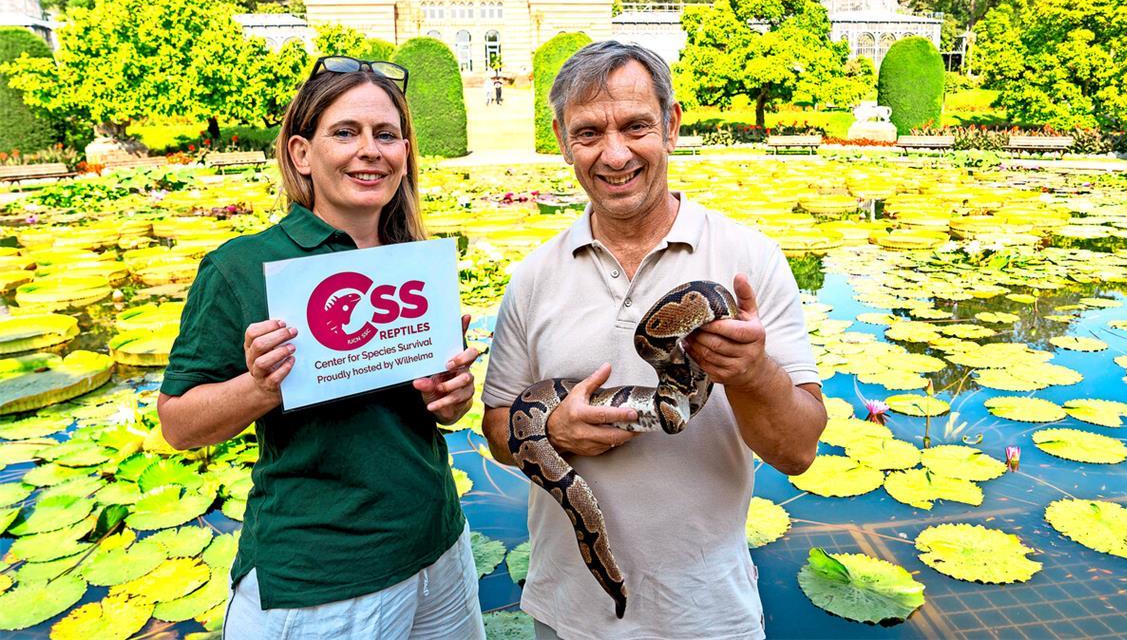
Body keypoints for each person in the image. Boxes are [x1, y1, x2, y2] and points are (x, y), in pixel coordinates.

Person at [481, 41, 826, 640]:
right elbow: (496, 429)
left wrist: (751, 371)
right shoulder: (534, 275)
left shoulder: (749, 258)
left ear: (670, 125)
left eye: (635, 126)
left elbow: (797, 452)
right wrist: (550, 430)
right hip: (568, 616)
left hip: (708, 616)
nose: (615, 154)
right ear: (562, 140)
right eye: (589, 133)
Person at [158, 55, 486, 639]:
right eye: (345, 132)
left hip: (440, 546)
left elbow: (431, 415)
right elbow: (180, 425)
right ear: (301, 153)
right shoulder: (242, 266)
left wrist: (450, 395)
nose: (370, 150)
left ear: (405, 153)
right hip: (323, 579)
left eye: (387, 135)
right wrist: (259, 386)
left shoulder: (416, 262)